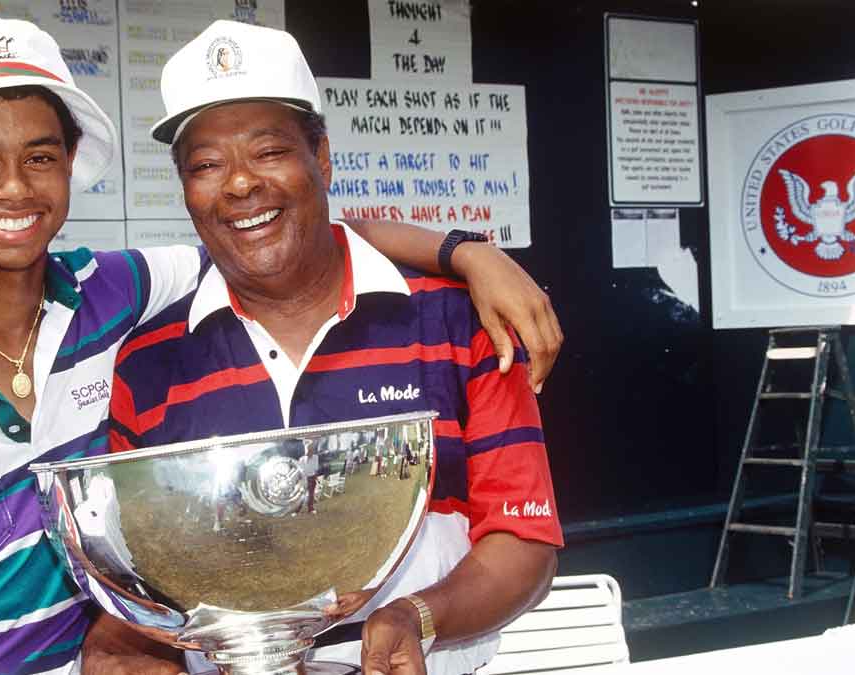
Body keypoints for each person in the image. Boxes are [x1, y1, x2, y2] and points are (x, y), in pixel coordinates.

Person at [0, 18, 564, 675]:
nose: (14, 187)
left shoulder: (112, 297)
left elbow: (289, 235)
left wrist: (467, 252)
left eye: (39, 156)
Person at [109, 20, 563, 675]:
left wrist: (417, 616)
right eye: (205, 164)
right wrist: (121, 648)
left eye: (267, 151)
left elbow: (525, 538)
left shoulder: (459, 318)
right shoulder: (149, 364)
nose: (238, 184)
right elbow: (135, 580)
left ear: (321, 158)